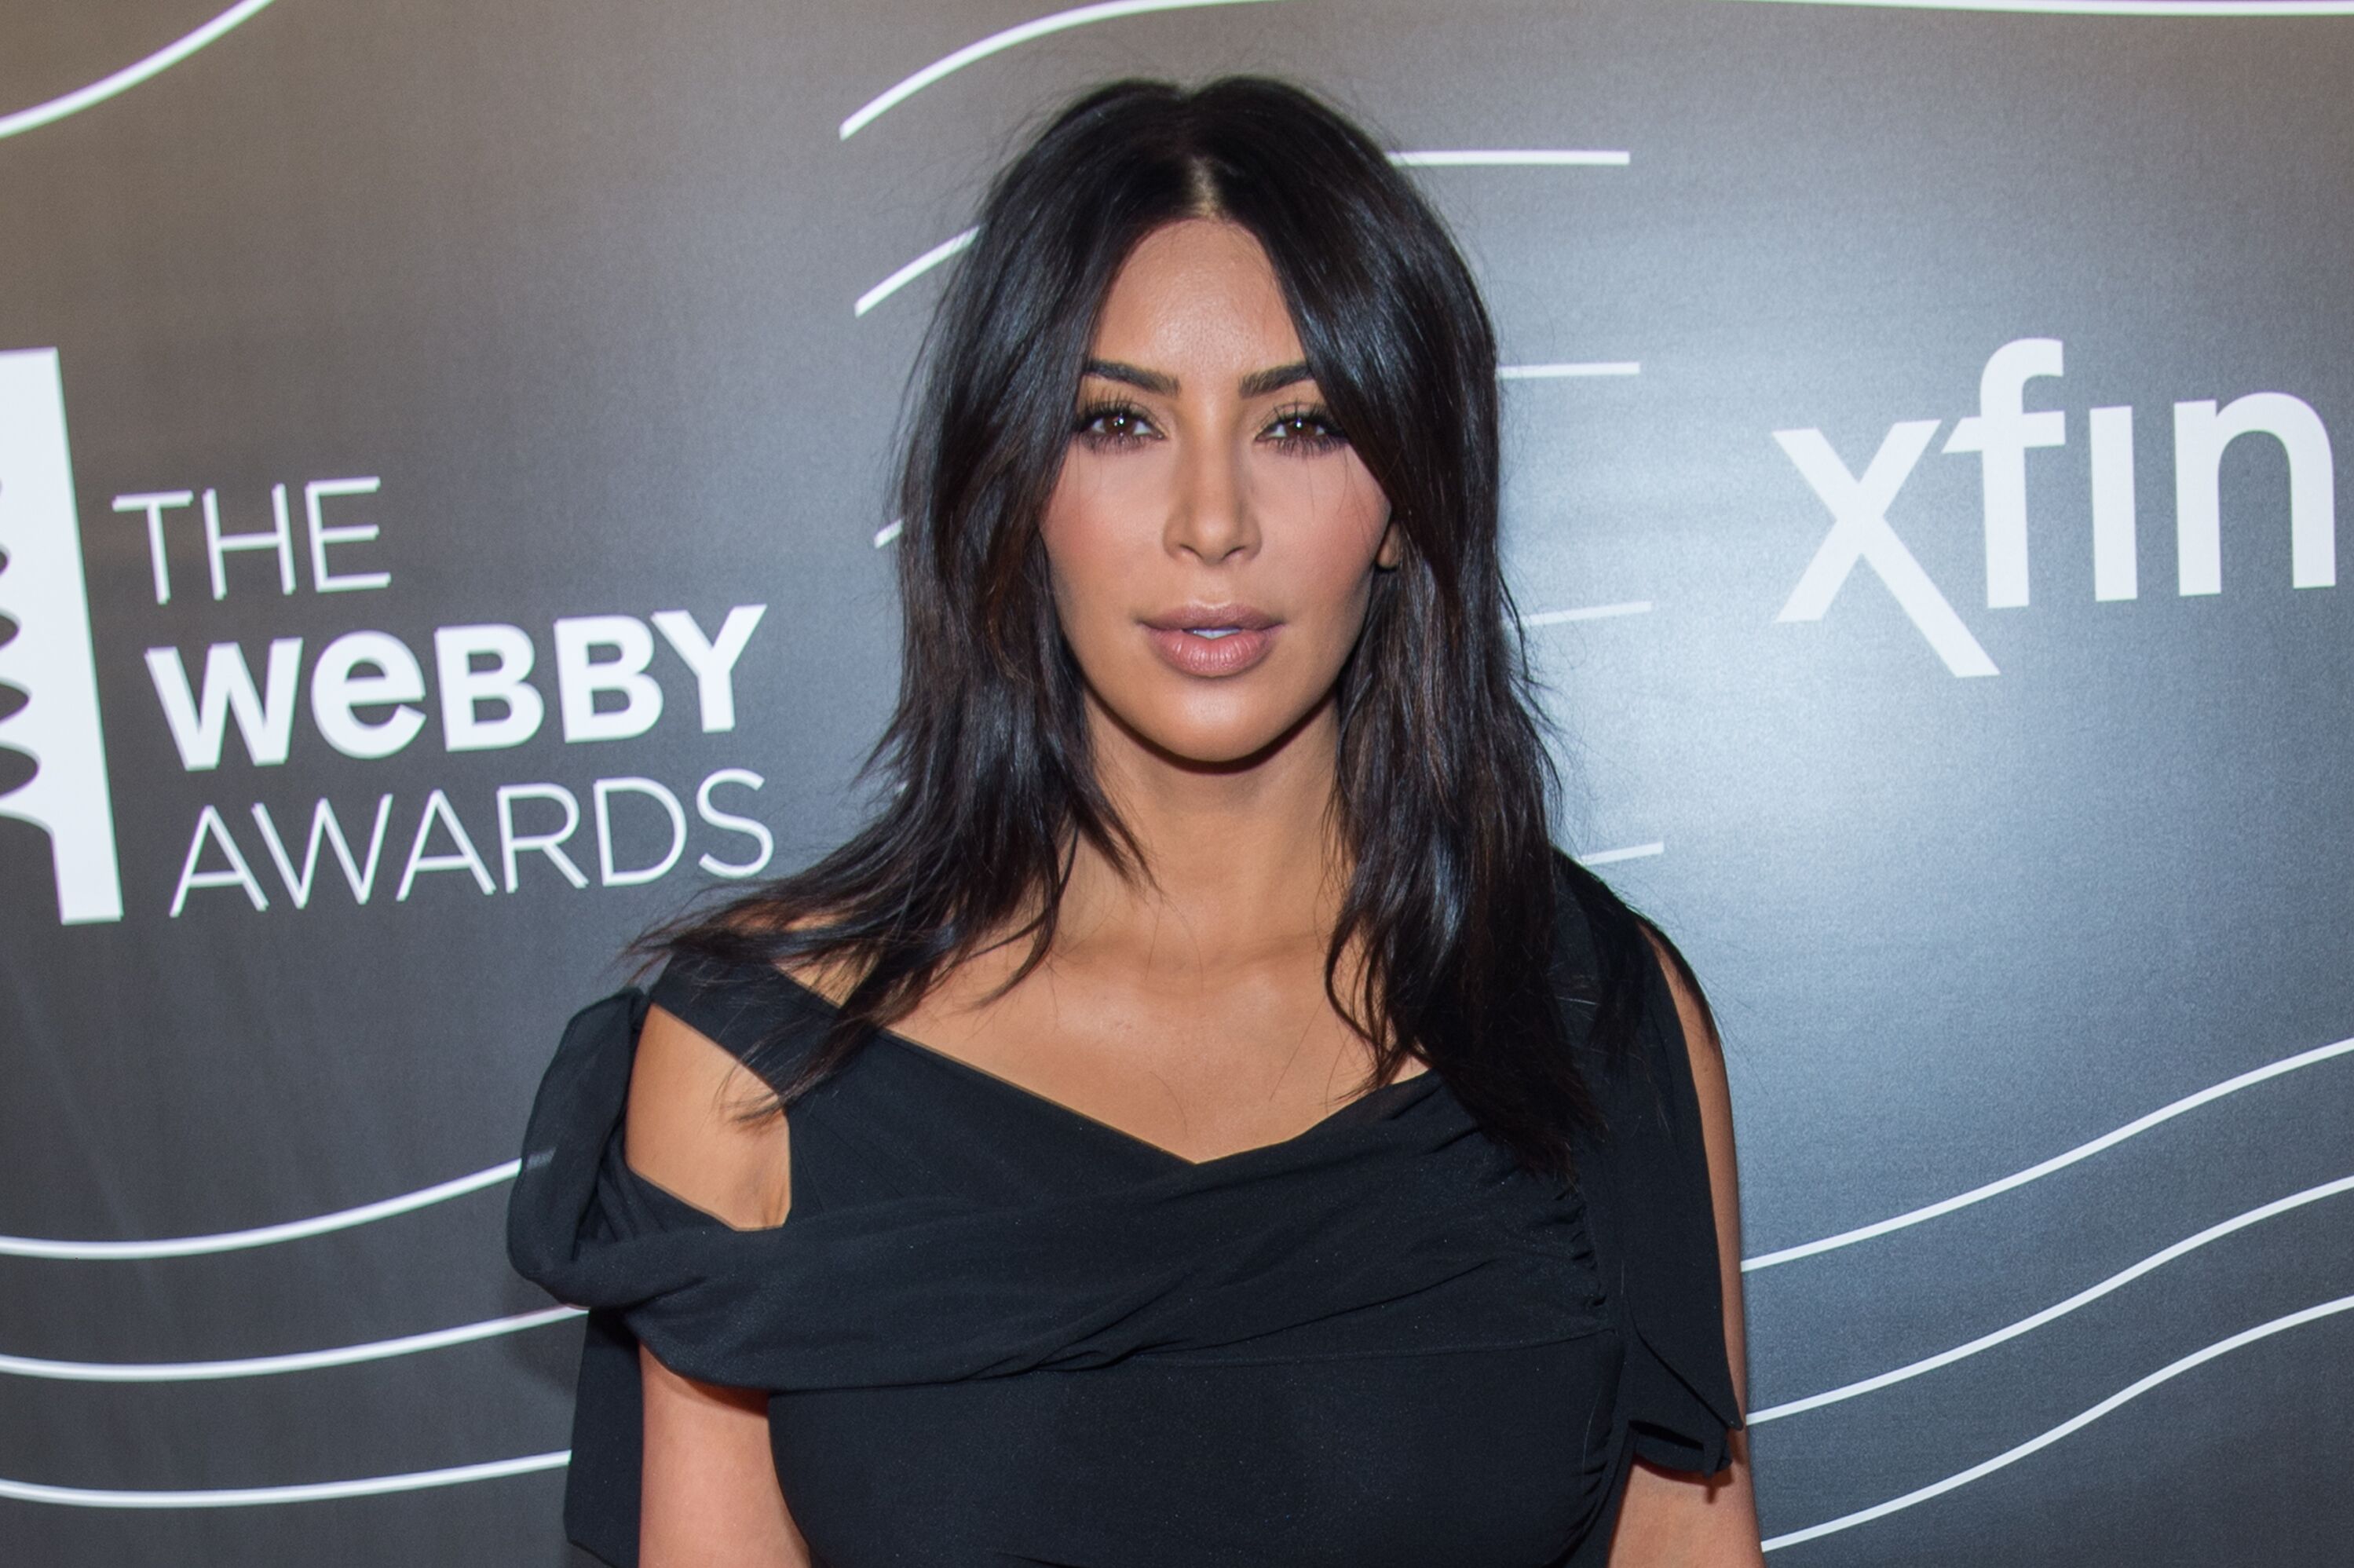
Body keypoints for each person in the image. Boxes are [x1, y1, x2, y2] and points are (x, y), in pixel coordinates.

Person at [508, 73, 1764, 1567]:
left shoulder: (1590, 1019)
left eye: (1301, 424)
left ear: (1412, 499)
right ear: (1012, 483)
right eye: (1120, 423)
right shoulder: (753, 1066)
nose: (1212, 519)